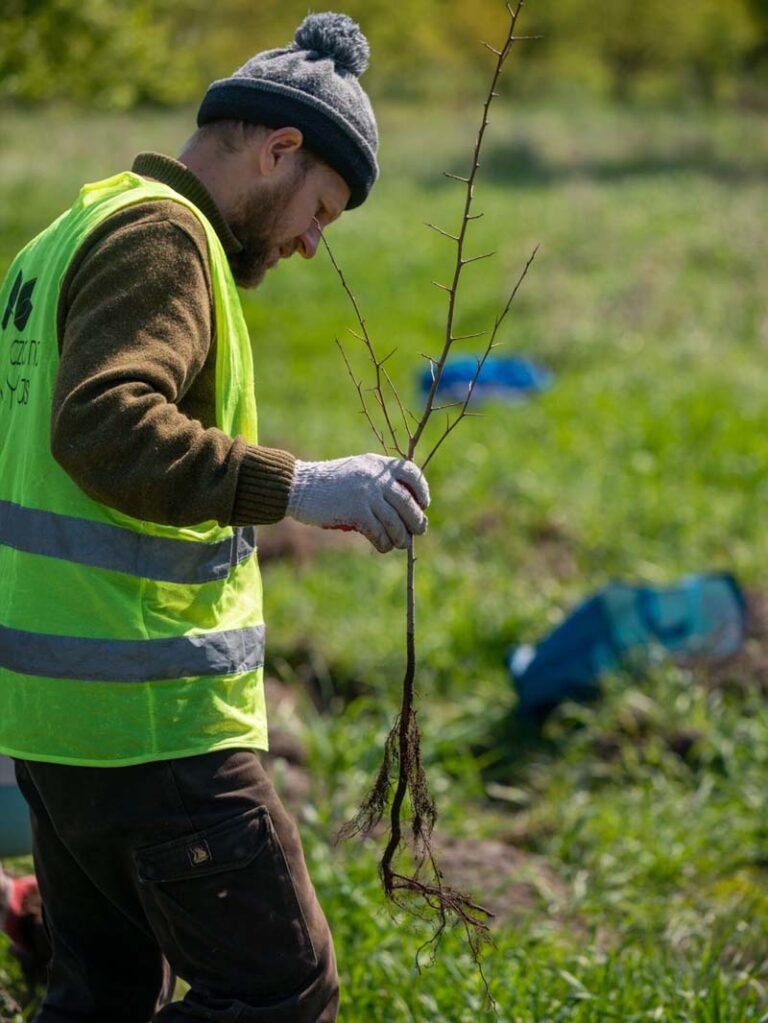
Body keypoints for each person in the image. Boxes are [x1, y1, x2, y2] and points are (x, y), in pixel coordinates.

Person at [0, 12, 429, 1023]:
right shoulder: (166, 235)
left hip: (56, 726)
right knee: (282, 990)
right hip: (152, 724)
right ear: (280, 149)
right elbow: (105, 429)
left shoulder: (59, 238)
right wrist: (303, 486)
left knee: (103, 996)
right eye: (320, 210)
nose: (312, 244)